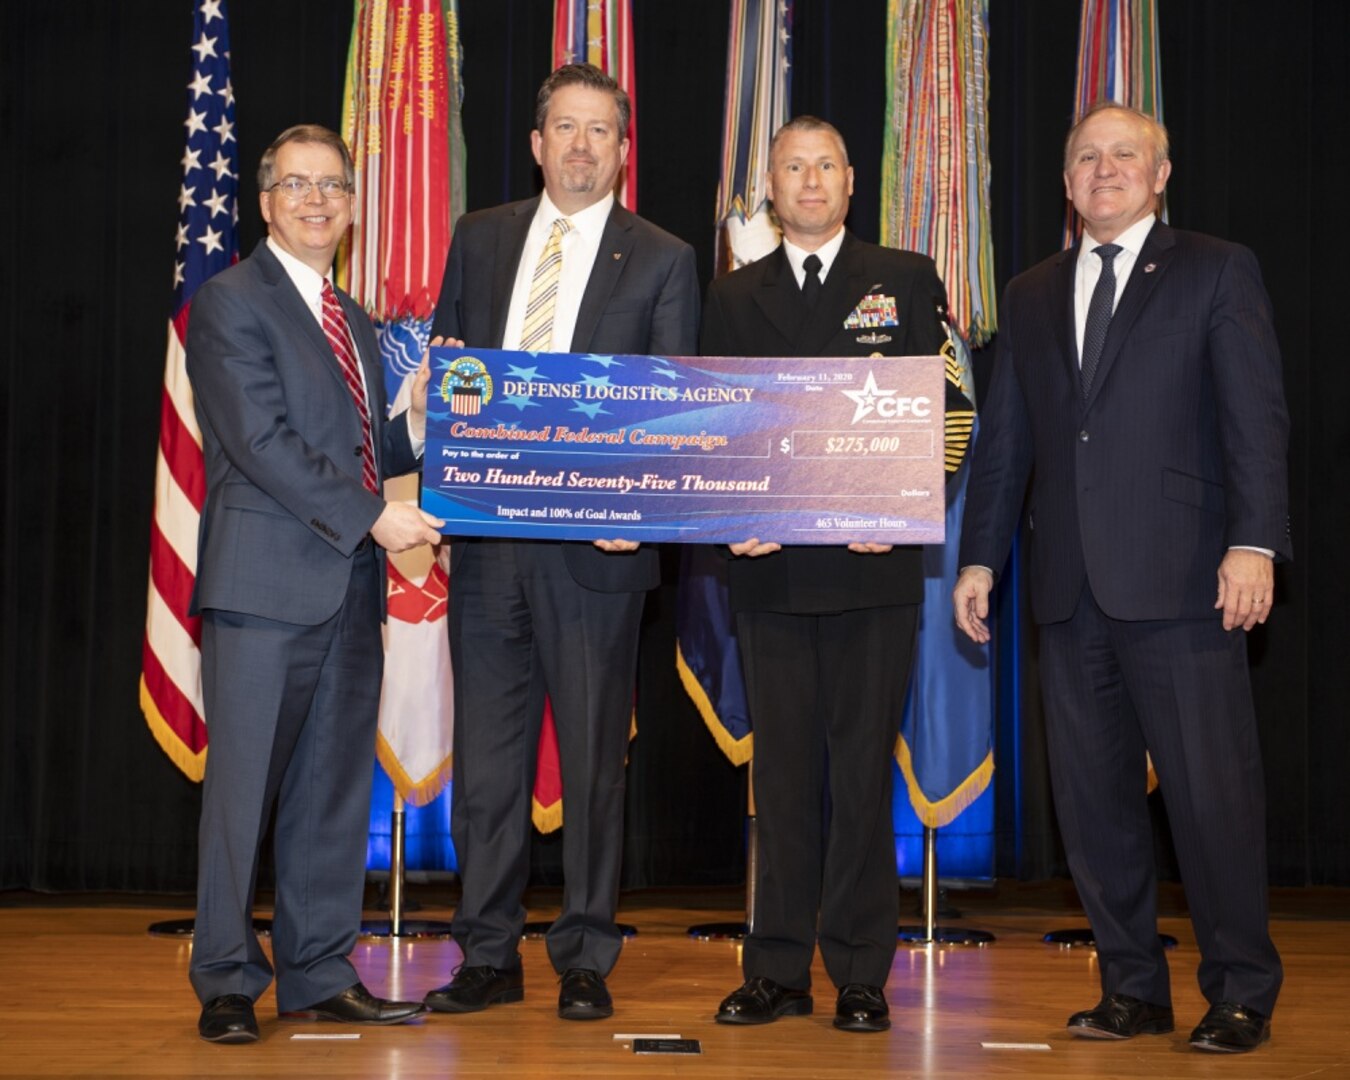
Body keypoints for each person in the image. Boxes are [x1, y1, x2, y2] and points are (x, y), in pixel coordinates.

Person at [953, 102, 1289, 1054]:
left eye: (1125, 156)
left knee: (1211, 799)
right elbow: (1004, 442)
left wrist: (1256, 542)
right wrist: (981, 556)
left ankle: (1239, 991)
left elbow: (1255, 420)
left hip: (1188, 581)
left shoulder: (1218, 269)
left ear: (1161, 172)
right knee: (1094, 807)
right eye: (1088, 159)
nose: (1106, 170)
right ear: (1066, 185)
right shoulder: (1027, 292)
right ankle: (1132, 988)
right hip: (1067, 592)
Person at [421, 63, 699, 1022]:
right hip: (489, 546)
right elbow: (452, 375)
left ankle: (585, 954)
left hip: (598, 555)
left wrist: (642, 511)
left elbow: (669, 408)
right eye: (565, 128)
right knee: (489, 768)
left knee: (591, 764)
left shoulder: (662, 256)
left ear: (622, 151)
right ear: (537, 143)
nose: (582, 146)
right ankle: (487, 953)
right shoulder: (481, 236)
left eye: (601, 132)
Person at [701, 116, 968, 1034]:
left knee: (860, 777)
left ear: (853, 182)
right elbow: (712, 424)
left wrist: (897, 506)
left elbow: (952, 410)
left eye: (825, 166)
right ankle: (774, 967)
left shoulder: (904, 278)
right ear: (770, 187)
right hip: (770, 576)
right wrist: (729, 521)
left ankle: (861, 971)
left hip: (874, 575)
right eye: (792, 168)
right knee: (779, 780)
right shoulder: (734, 297)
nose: (809, 182)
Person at [186, 124, 443, 1043]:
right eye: (296, 185)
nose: (317, 201)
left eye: (332, 186)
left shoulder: (358, 321)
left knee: (332, 793)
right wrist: (377, 517)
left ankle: (317, 970)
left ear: (349, 204)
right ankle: (223, 979)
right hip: (263, 590)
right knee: (243, 794)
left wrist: (411, 422)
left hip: (347, 586)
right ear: (264, 201)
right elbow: (260, 446)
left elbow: (368, 454)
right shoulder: (228, 303)